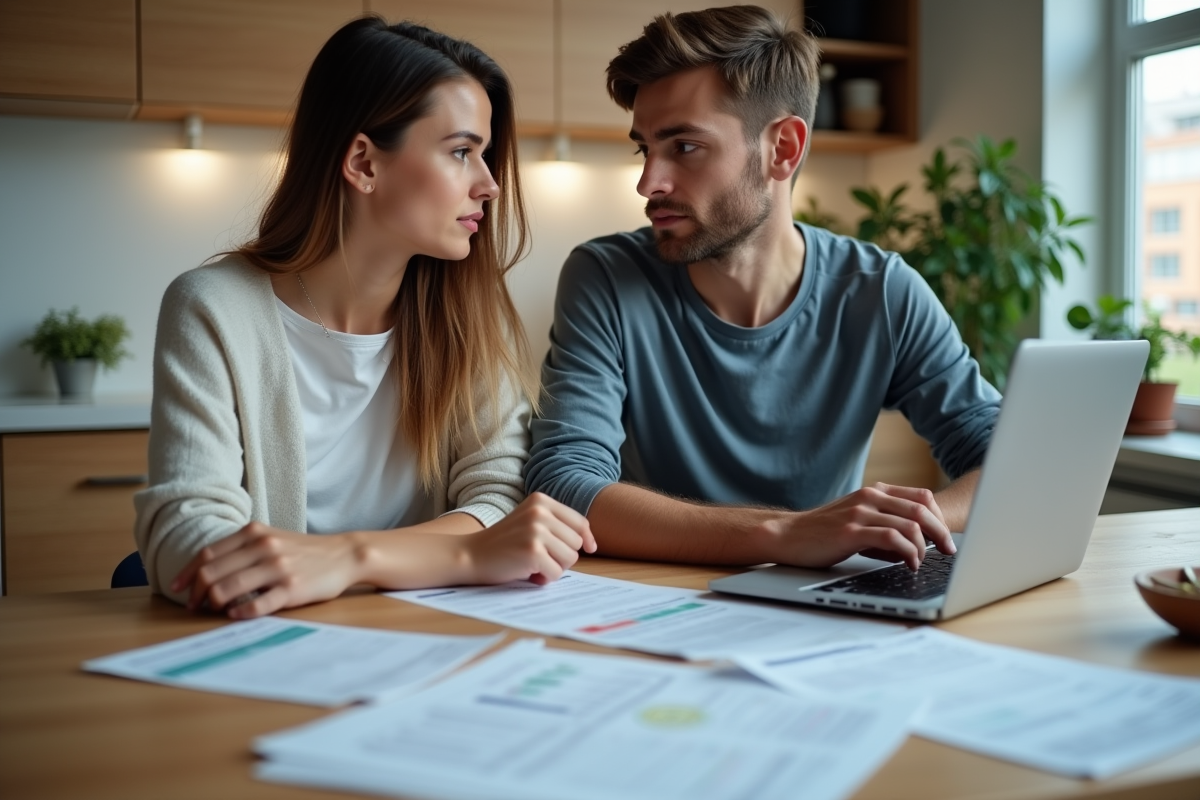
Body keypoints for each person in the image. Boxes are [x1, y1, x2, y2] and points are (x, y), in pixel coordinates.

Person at [135, 17, 594, 620]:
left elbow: (501, 500)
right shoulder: (213, 307)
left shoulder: (470, 315)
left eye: (484, 155)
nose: (489, 185)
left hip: (429, 630)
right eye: (461, 152)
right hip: (274, 644)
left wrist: (350, 560)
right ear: (364, 163)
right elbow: (184, 541)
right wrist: (459, 556)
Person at [526, 6, 1001, 572]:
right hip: (659, 596)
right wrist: (786, 534)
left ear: (782, 149)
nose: (648, 182)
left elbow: (1008, 453)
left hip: (825, 600)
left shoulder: (881, 291)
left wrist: (917, 520)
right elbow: (564, 483)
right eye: (645, 148)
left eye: (684, 147)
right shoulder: (605, 276)